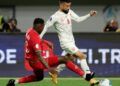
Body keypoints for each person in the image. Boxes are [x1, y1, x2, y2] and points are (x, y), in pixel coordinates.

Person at [6, 18, 97, 86]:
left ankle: (15, 82)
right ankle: (85, 76)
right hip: (37, 62)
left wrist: (46, 42)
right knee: (65, 59)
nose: (43, 28)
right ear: (40, 26)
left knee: (39, 78)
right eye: (43, 26)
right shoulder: (35, 38)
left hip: (32, 62)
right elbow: (39, 55)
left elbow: (35, 41)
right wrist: (49, 69)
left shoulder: (29, 31)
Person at [40, 0, 98, 84]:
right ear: (61, 4)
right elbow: (46, 27)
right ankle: (88, 75)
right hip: (65, 43)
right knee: (82, 56)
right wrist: (38, 38)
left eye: (69, 5)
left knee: (68, 59)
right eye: (66, 6)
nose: (68, 7)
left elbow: (78, 19)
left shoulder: (70, 12)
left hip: (71, 41)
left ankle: (55, 72)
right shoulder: (55, 16)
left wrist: (89, 15)